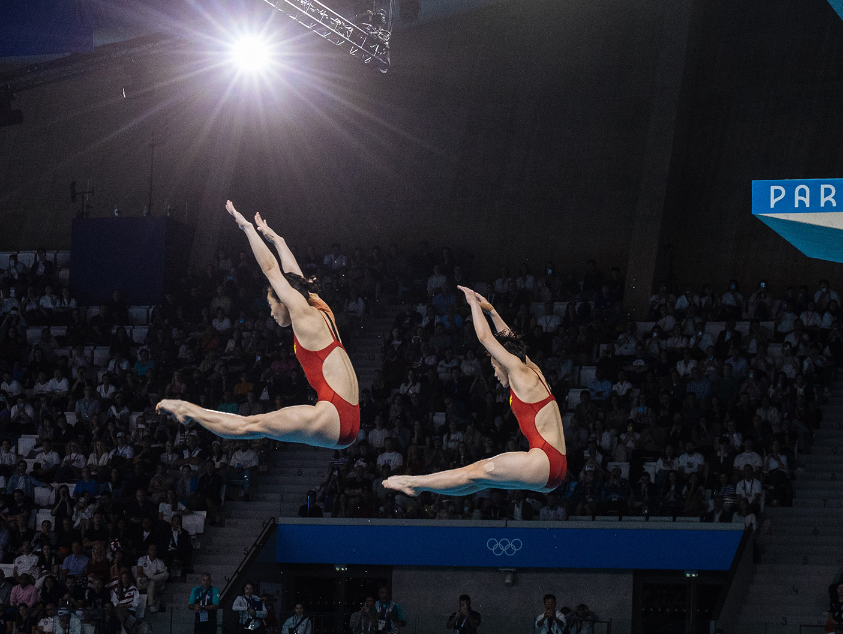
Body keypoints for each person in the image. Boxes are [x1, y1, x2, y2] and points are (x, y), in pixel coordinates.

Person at [157, 204, 360, 449]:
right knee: (256, 426)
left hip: (332, 417)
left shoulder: (303, 314)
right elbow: (295, 277)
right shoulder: (319, 308)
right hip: (351, 417)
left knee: (250, 426)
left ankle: (187, 410)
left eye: (271, 304)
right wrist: (278, 240)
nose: (271, 313)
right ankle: (188, 410)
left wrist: (247, 228)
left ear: (284, 301)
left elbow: (271, 270)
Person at [385, 288, 566, 495]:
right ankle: (419, 486)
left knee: (476, 471)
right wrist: (491, 311)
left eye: (495, 366)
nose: (495, 373)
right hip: (555, 467)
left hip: (543, 461)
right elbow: (513, 342)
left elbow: (484, 337)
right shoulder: (534, 371)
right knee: (477, 479)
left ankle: (414, 484)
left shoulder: (517, 371)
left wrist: (471, 303)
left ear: (505, 362)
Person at [136, 544, 169, 612]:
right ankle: (151, 605)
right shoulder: (142, 559)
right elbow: (139, 572)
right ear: (148, 551)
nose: (153, 551)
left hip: (154, 582)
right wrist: (147, 577)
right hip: (143, 581)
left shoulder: (160, 562)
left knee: (165, 574)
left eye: (154, 550)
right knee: (145, 580)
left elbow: (163, 574)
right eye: (151, 549)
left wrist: (152, 578)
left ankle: (151, 604)